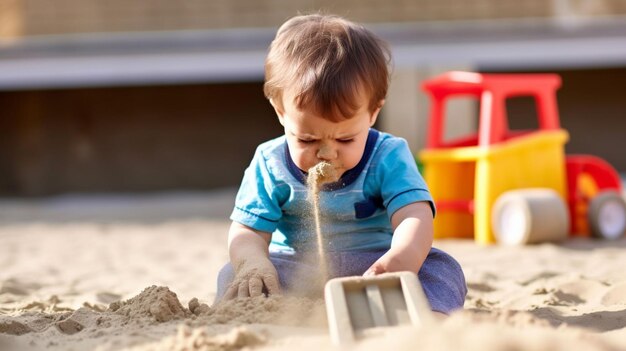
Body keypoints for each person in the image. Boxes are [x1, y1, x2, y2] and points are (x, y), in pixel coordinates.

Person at [215, 13, 467, 315]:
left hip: (374, 263)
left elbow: (415, 214)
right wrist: (253, 262)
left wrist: (401, 259)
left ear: (373, 113)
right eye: (307, 140)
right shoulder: (270, 163)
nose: (326, 153)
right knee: (232, 273)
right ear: (280, 111)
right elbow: (247, 231)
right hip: (296, 268)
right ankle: (257, 315)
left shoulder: (387, 155)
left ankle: (426, 315)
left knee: (442, 269)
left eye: (345, 140)